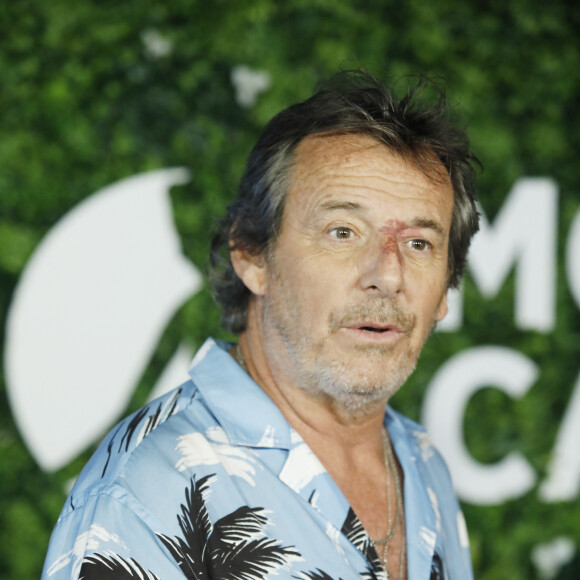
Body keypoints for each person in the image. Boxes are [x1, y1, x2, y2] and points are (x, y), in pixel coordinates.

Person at [42, 70, 479, 580]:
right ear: (251, 255)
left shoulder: (425, 465)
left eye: (419, 244)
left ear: (446, 288)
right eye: (343, 232)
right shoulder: (143, 492)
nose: (387, 273)